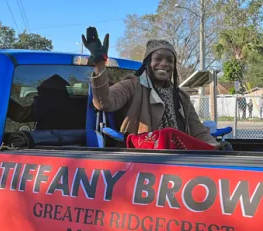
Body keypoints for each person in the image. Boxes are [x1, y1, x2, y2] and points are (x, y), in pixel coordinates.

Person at [82, 27, 219, 147]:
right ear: (148, 63)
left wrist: (214, 146)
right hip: (143, 161)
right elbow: (104, 103)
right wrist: (100, 64)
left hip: (179, 160)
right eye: (158, 59)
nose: (164, 64)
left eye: (170, 61)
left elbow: (198, 131)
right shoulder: (132, 85)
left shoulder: (182, 96)